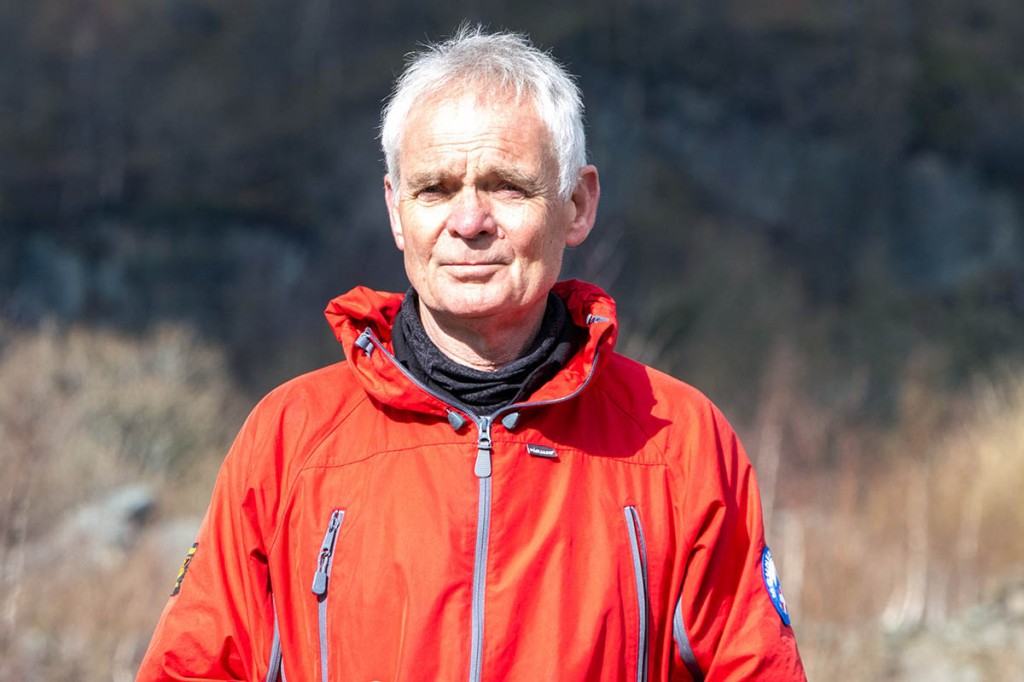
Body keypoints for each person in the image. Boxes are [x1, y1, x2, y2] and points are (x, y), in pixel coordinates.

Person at [137, 26, 806, 681]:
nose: (468, 221)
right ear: (397, 212)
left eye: (507, 186)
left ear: (577, 204)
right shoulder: (290, 441)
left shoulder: (678, 444)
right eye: (435, 190)